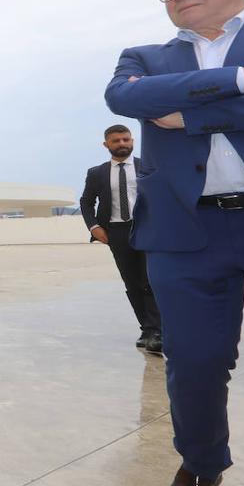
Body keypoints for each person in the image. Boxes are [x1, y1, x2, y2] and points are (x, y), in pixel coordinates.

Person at [105, 0, 244, 486]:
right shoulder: (145, 56)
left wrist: (190, 114)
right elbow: (127, 98)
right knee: (196, 363)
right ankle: (200, 465)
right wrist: (241, 81)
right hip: (186, 233)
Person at [79, 124, 163, 354]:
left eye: (126, 139)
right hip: (116, 231)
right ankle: (146, 329)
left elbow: (162, 195)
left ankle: (156, 331)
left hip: (147, 229)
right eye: (116, 140)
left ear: (132, 141)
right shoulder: (96, 173)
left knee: (150, 280)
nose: (122, 144)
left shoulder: (146, 166)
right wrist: (94, 226)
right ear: (106, 145)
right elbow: (86, 202)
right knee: (132, 282)